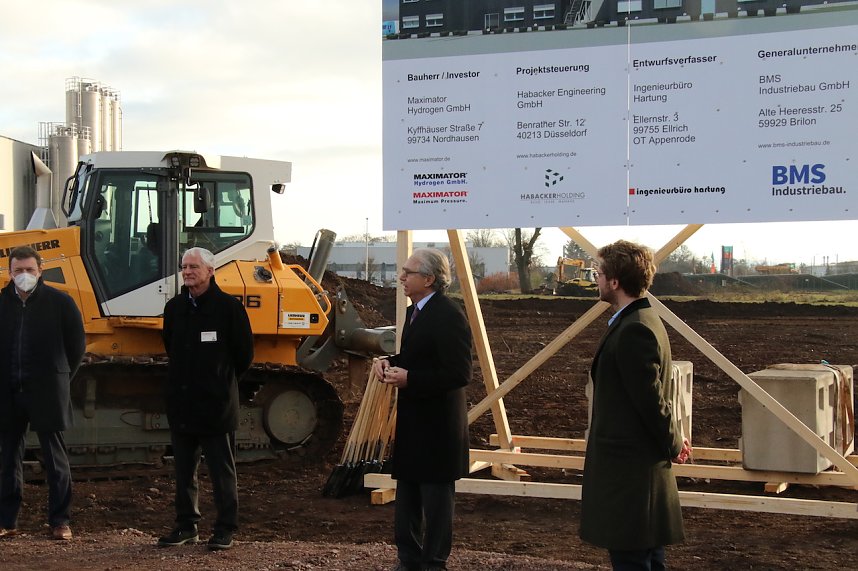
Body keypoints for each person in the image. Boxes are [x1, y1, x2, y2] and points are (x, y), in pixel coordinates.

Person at [580, 240, 691, 570]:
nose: (595, 280)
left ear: (614, 281)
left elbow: (651, 402)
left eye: (598, 274)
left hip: (630, 475)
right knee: (648, 557)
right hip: (636, 472)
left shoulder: (634, 330)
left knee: (632, 559)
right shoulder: (641, 320)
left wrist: (673, 443)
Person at [372, 248, 472, 571]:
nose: (401, 277)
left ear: (429, 279)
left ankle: (434, 563)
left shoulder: (449, 316)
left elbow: (459, 373)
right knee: (408, 497)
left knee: (436, 502)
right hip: (415, 423)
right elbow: (417, 358)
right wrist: (390, 363)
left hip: (439, 428)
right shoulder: (416, 312)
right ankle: (409, 558)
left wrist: (411, 378)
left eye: (408, 272)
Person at [158, 247, 253, 551]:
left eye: (194, 267)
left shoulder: (229, 309)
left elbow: (244, 355)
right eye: (184, 267)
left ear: (210, 271)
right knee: (184, 471)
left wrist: (220, 382)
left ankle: (225, 528)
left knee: (221, 471)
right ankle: (187, 526)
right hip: (183, 405)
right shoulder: (174, 309)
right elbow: (171, 347)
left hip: (215, 405)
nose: (187, 272)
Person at [0, 246, 86, 541]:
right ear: (9, 273)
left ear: (41, 271)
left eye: (29, 270)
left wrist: (60, 378)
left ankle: (60, 521)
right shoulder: (1, 304)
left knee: (55, 460)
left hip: (47, 392)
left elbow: (76, 348)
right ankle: (7, 521)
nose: (23, 276)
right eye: (18, 271)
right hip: (9, 393)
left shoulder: (60, 302)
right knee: (7, 459)